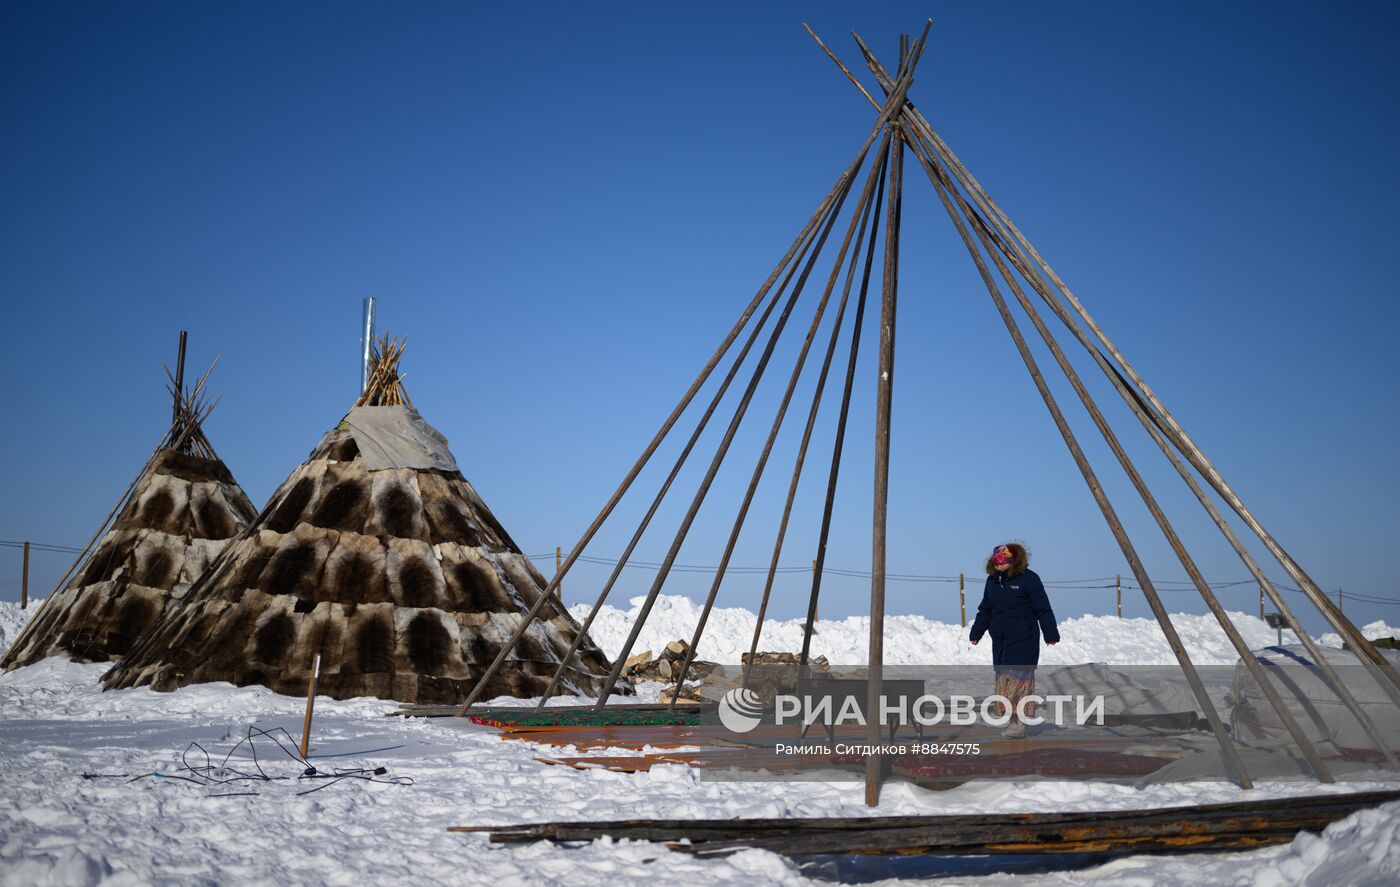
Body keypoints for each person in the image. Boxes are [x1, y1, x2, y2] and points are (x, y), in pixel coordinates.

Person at [969, 542, 1060, 739]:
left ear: (1014, 561)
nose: (999, 567)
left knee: (1018, 683)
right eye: (996, 564)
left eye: (1003, 563)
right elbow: (985, 608)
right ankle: (1014, 722)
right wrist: (977, 632)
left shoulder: (1029, 579)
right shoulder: (992, 581)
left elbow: (1043, 608)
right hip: (1001, 642)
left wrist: (1050, 633)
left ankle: (1019, 725)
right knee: (1005, 682)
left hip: (1023, 639)